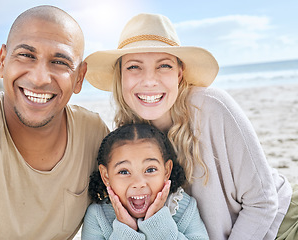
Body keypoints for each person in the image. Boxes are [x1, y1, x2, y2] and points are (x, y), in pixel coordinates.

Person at [84, 13, 298, 239]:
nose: (149, 80)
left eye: (163, 65)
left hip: (280, 225)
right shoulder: (129, 133)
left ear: (179, 74)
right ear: (120, 76)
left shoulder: (211, 107)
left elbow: (263, 201)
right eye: (134, 67)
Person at [0, 5, 108, 240]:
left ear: (79, 78)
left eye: (59, 62)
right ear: (3, 61)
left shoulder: (93, 135)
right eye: (26, 55)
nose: (39, 78)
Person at [82, 123, 208, 239]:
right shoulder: (98, 216)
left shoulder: (183, 208)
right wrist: (126, 230)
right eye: (124, 172)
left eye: (150, 169)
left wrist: (157, 225)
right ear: (106, 176)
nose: (138, 183)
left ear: (166, 171)